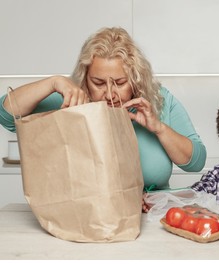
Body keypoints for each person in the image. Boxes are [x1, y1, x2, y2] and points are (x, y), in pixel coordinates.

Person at [0, 27, 207, 210]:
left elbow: (196, 162)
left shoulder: (158, 100)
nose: (109, 93)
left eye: (120, 82)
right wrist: (53, 83)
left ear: (136, 79)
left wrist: (159, 128)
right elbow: (7, 116)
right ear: (84, 79)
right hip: (89, 221)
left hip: (153, 220)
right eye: (98, 83)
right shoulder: (72, 98)